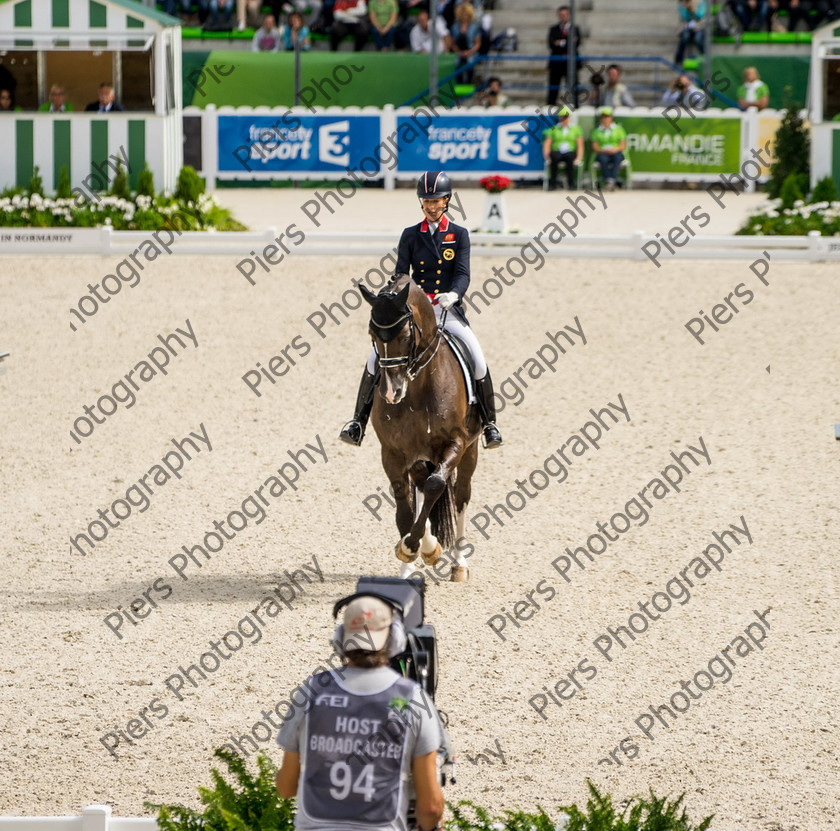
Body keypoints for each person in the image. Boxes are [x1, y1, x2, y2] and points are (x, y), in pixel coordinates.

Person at [339, 171, 503, 449]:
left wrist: (454, 293)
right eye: (426, 200)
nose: (430, 205)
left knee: (477, 358)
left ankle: (489, 424)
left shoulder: (459, 235)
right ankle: (358, 422)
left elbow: (463, 273)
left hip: (446, 309)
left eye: (436, 200)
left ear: (447, 201)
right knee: (374, 358)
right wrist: (393, 297)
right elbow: (401, 274)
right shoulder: (411, 235)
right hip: (415, 311)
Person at [274, 595, 445, 831]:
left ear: (340, 638)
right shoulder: (413, 699)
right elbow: (430, 808)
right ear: (395, 638)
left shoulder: (311, 691)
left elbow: (285, 787)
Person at [546, 5, 581, 106]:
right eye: (561, 15)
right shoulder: (554, 29)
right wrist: (567, 42)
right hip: (557, 63)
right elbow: (551, 44)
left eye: (565, 15)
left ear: (569, 15)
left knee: (572, 87)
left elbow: (576, 44)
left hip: (571, 63)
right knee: (553, 87)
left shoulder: (575, 28)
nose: (563, 17)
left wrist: (560, 43)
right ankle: (550, 106)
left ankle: (575, 106)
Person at [542, 106, 583, 191]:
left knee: (569, 158)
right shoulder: (553, 129)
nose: (564, 119)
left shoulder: (576, 129)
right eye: (563, 117)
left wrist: (579, 157)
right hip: (557, 151)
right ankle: (553, 183)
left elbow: (580, 145)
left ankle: (571, 183)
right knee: (554, 157)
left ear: (569, 117)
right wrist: (547, 156)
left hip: (569, 151)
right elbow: (547, 144)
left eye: (566, 117)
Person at [590, 106, 626, 192]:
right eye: (604, 116)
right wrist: (603, 150)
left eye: (607, 116)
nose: (606, 119)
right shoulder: (597, 131)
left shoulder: (619, 129)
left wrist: (614, 149)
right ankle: (610, 181)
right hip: (602, 152)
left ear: (611, 117)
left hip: (615, 151)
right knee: (603, 159)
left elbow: (622, 145)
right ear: (601, 118)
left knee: (617, 158)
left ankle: (610, 181)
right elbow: (595, 146)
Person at [450, 3, 481, 84]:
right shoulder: (455, 27)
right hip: (458, 51)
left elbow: (477, 43)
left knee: (470, 62)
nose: (464, 17)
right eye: (463, 14)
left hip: (471, 51)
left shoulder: (474, 26)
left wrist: (469, 52)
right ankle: (459, 83)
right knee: (456, 63)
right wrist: (459, 52)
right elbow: (452, 43)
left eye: (466, 15)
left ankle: (468, 82)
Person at [675, 0, 706, 65]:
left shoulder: (701, 2)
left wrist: (692, 10)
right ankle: (679, 59)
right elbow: (685, 17)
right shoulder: (681, 3)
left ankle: (706, 56)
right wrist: (688, 9)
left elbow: (700, 15)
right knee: (685, 37)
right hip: (686, 27)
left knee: (697, 39)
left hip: (699, 27)